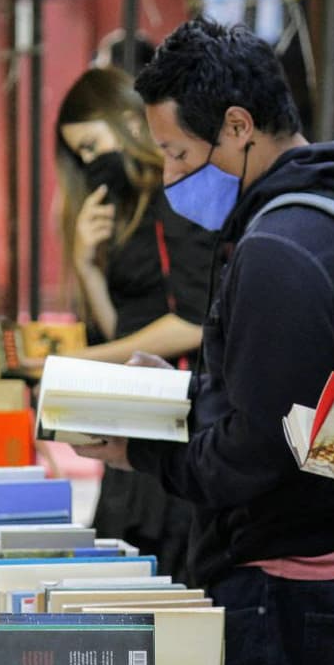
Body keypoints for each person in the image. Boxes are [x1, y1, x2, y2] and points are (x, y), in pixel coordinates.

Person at [75, 18, 334, 665]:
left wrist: (140, 452)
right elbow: (287, 395)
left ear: (238, 126)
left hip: (292, 582)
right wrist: (186, 393)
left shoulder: (279, 248)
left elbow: (257, 449)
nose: (171, 177)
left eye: (176, 153)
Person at [54, 66, 215, 581]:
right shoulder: (125, 208)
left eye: (92, 144)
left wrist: (76, 362)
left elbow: (193, 324)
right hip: (137, 417)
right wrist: (86, 266)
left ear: (128, 120)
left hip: (180, 418)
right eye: (78, 154)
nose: (89, 162)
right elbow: (121, 331)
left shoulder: (178, 198)